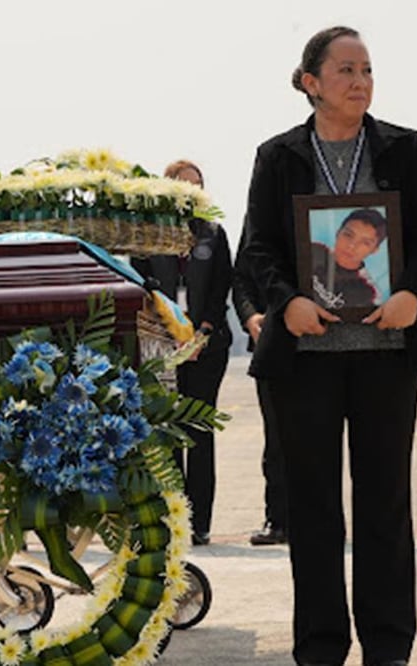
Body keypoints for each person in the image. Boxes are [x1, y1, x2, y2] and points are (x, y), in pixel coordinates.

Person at [238, 26, 417, 666]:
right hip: (304, 360)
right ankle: (321, 646)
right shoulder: (279, 156)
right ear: (311, 83)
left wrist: (411, 291)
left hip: (386, 350)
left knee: (385, 503)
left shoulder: (403, 149)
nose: (360, 82)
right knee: (313, 508)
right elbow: (258, 248)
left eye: (367, 70)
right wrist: (286, 302)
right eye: (346, 70)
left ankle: (389, 646)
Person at [131, 160, 233, 546]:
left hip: (206, 347)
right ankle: (173, 519)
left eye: (198, 185)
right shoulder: (149, 237)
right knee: (168, 435)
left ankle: (200, 523)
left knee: (200, 435)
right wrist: (169, 340)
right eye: (185, 186)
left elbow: (222, 288)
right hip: (163, 348)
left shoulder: (213, 234)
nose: (193, 192)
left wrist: (201, 334)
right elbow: (142, 290)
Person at [233, 221, 288, 546]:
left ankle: (320, 519)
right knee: (277, 439)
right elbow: (240, 277)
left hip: (323, 340)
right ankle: (278, 520)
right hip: (271, 343)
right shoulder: (261, 216)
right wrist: (250, 316)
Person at [310, 208, 388, 310]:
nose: (352, 246)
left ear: (374, 250)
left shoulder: (370, 294)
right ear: (338, 233)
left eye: (365, 242)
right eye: (348, 235)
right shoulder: (313, 250)